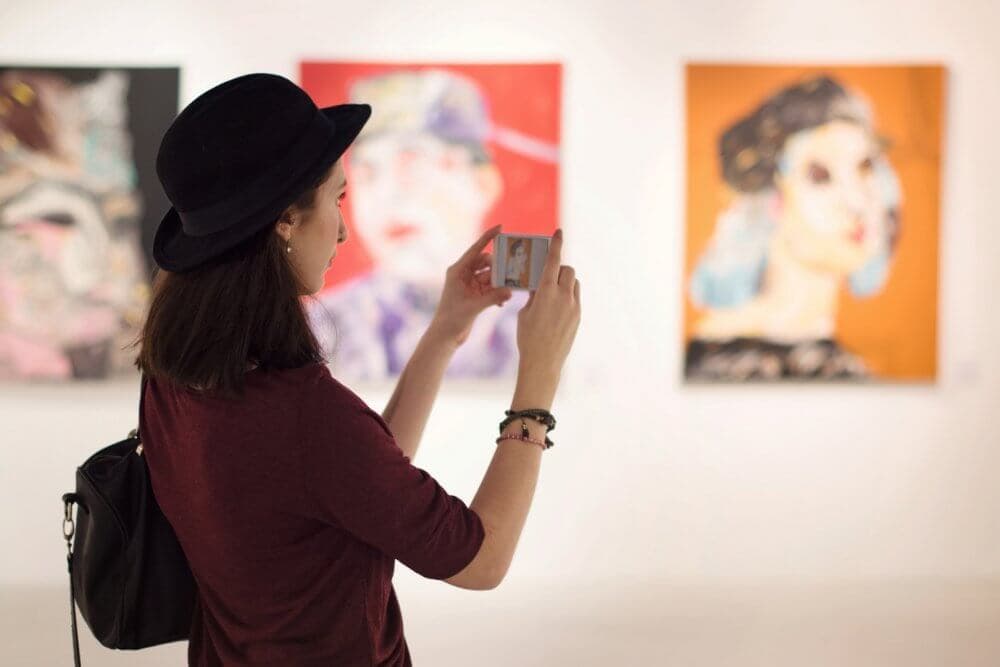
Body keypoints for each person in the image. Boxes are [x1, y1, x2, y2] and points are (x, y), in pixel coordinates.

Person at [132, 73, 581, 666]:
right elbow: (481, 559)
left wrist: (444, 330)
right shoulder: (302, 413)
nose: (344, 228)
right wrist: (539, 382)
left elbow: (354, 478)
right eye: (338, 196)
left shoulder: (173, 379)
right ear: (285, 222)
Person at [308, 69, 529, 381]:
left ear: (482, 183)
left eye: (412, 167)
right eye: (368, 175)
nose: (387, 196)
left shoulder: (529, 324)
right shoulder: (320, 328)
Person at [685, 75, 901, 381]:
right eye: (820, 175)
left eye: (865, 167)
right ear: (772, 197)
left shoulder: (846, 370)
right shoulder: (715, 363)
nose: (858, 202)